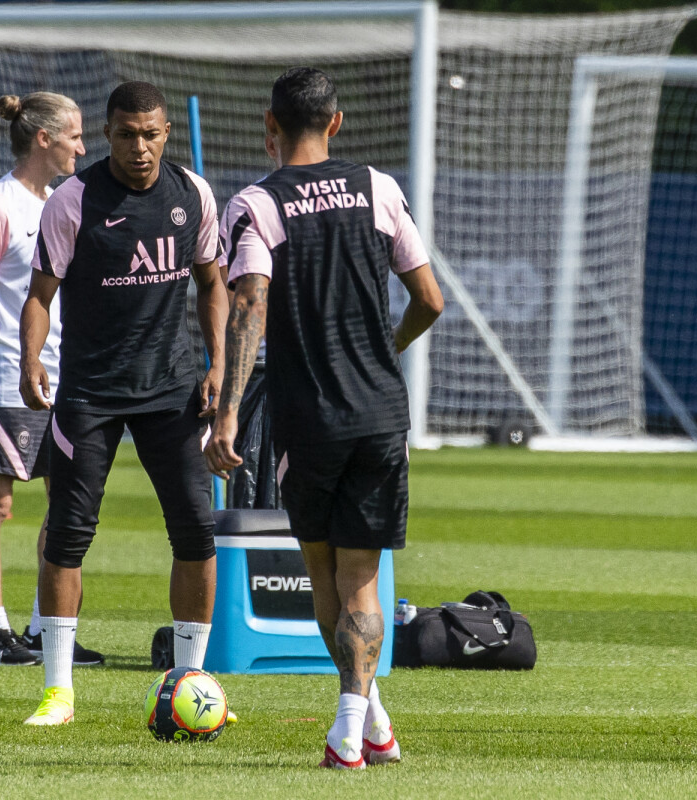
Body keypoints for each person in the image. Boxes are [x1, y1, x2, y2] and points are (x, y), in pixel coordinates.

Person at [205, 67, 443, 768]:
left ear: (269, 127)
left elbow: (249, 306)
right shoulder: (379, 188)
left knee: (322, 572)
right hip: (378, 410)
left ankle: (347, 736)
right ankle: (373, 725)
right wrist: (381, 349)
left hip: (307, 414)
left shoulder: (255, 204)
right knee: (362, 576)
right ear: (336, 122)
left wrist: (225, 417)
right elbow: (429, 299)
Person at [18, 80, 228, 726]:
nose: (141, 147)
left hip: (172, 392)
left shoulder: (193, 194)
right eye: (129, 134)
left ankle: (191, 678)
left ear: (168, 133)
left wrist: (219, 362)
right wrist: (32, 359)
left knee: (195, 531)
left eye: (152, 133)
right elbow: (38, 295)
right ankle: (58, 692)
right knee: (67, 537)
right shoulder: (73, 201)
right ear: (107, 134)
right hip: (90, 394)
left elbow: (213, 282)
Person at [0, 91, 103, 667]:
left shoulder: (73, 202)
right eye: (75, 136)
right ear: (44, 138)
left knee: (68, 508)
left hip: (71, 378)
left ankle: (46, 631)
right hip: (6, 380)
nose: (83, 148)